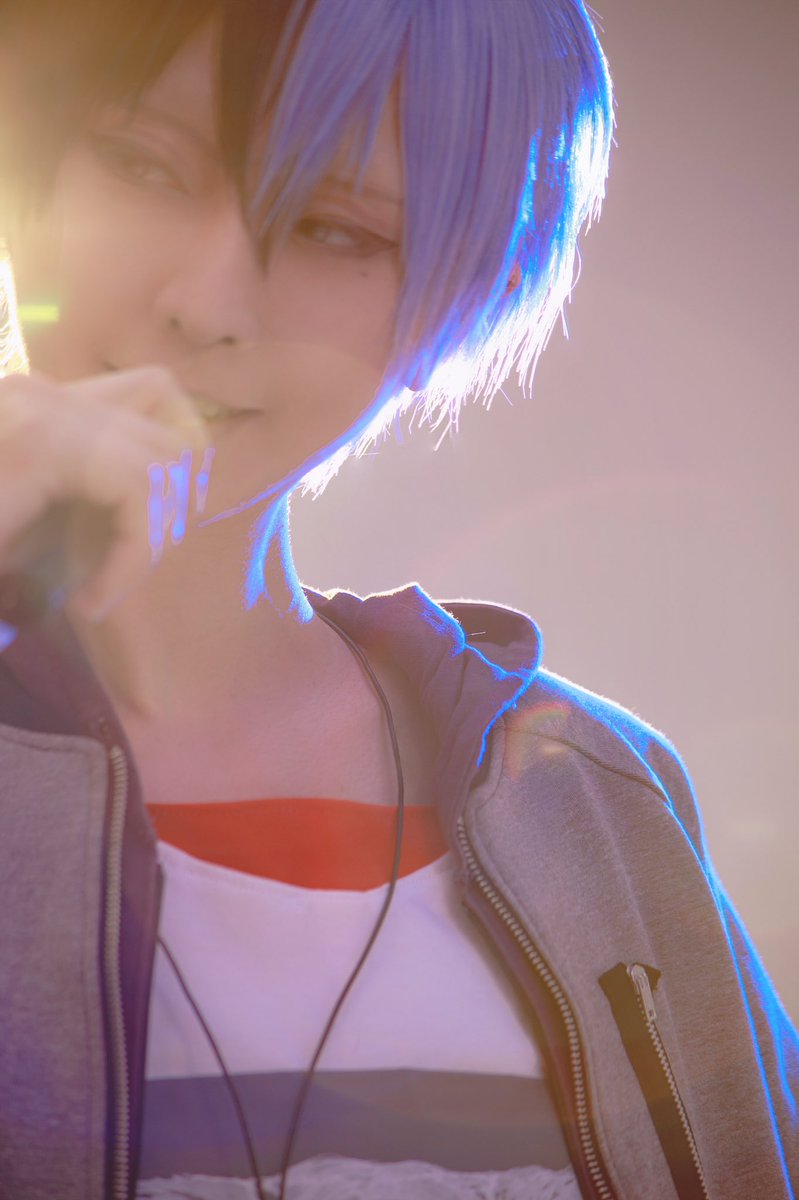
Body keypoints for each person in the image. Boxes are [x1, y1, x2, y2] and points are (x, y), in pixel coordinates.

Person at [0, 2, 796, 1198]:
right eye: (143, 164)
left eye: (335, 231)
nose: (206, 301)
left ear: (461, 300)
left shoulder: (593, 796)